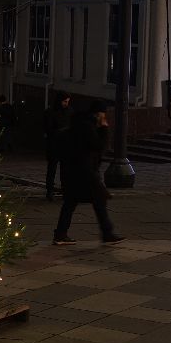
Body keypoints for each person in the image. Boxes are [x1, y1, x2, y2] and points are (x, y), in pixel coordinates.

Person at [54, 99, 122, 245]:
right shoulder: (87, 127)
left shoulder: (77, 125)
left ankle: (60, 234)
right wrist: (104, 129)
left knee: (71, 202)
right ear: (98, 114)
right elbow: (99, 146)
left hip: (72, 172)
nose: (104, 119)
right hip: (85, 173)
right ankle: (107, 233)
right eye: (103, 116)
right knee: (99, 200)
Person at [42, 92, 72, 202]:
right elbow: (48, 129)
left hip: (65, 144)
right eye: (65, 101)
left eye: (68, 102)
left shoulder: (69, 111)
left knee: (65, 169)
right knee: (52, 169)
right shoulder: (50, 112)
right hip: (54, 144)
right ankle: (49, 190)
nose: (66, 104)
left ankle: (65, 190)